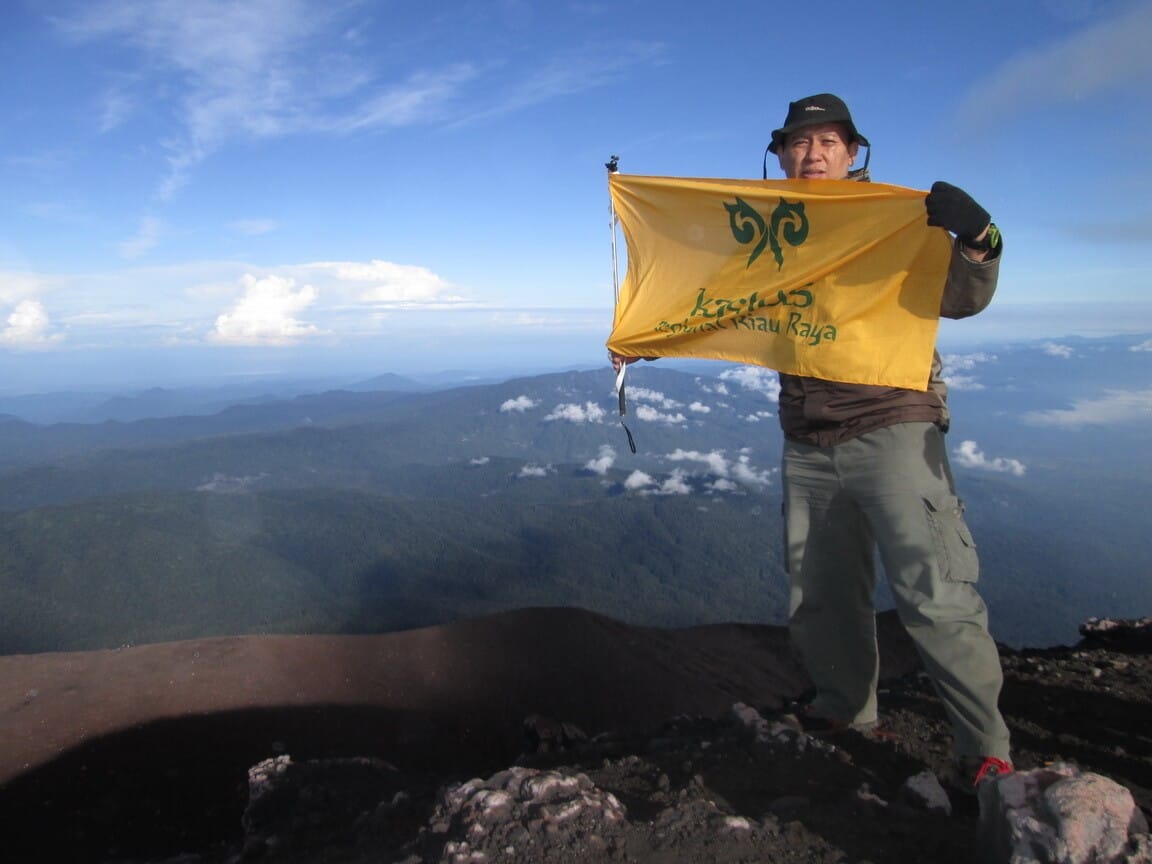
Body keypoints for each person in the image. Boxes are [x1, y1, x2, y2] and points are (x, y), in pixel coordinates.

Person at [613, 93, 1012, 787]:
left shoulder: (892, 219)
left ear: (854, 153)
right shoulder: (770, 234)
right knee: (821, 595)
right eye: (801, 141)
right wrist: (651, 338)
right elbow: (727, 303)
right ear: (780, 155)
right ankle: (845, 714)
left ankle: (986, 750)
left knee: (935, 592)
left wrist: (981, 240)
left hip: (894, 424)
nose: (815, 152)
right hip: (807, 437)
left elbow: (962, 296)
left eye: (830, 140)